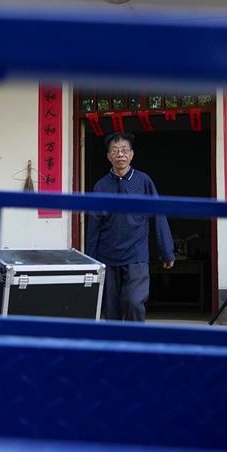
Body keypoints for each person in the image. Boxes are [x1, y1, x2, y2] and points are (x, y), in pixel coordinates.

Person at [86, 132, 175, 322]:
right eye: (115, 150)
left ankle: (135, 338)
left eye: (124, 150)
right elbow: (94, 226)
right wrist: (91, 260)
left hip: (136, 255)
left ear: (132, 154)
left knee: (134, 302)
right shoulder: (101, 186)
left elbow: (159, 214)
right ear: (108, 156)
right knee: (112, 310)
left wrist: (167, 250)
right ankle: (116, 341)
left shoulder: (143, 181)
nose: (120, 154)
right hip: (108, 256)